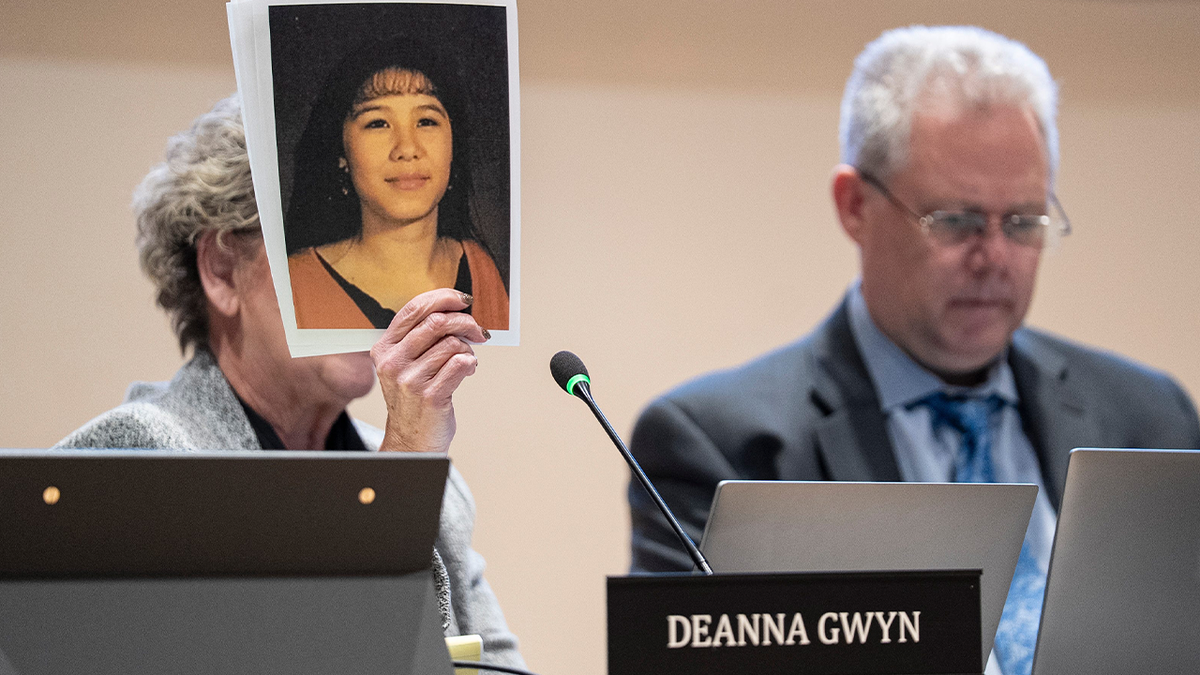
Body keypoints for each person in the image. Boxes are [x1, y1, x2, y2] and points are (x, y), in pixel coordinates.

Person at [627, 25, 1200, 675]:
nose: (994, 257)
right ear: (854, 205)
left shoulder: (1152, 417)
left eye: (1023, 222)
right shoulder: (721, 446)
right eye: (955, 220)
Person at [55, 95, 525, 670]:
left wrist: (407, 467)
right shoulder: (141, 456)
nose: (376, 290)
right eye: (332, 244)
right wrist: (402, 475)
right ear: (222, 270)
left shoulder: (429, 481)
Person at [285, 35, 509, 331]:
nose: (406, 148)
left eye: (427, 121)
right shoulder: (296, 287)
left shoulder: (480, 270)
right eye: (378, 123)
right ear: (341, 153)